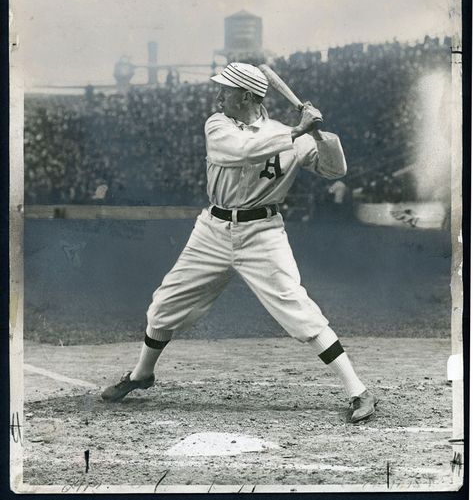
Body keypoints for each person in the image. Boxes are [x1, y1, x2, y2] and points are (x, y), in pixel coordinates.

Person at [102, 62, 378, 423]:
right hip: (213, 230)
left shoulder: (289, 135)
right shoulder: (218, 125)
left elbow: (334, 169)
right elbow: (244, 151)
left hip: (263, 233)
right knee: (164, 304)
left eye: (226, 90)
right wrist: (298, 130)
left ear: (247, 95)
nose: (219, 96)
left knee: (296, 306)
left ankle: (358, 390)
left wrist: (320, 134)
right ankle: (142, 375)